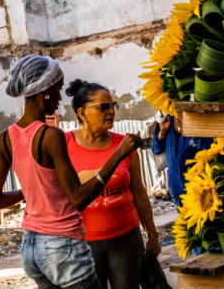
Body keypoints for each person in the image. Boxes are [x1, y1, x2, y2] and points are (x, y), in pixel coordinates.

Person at [0, 55, 143, 289]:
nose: (59, 99)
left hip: (31, 248)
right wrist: (118, 155)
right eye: (58, 91)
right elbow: (78, 199)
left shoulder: (6, 138)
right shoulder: (51, 135)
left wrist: (28, 191)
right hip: (62, 246)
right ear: (45, 91)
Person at [64, 79, 162, 289]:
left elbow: (139, 191)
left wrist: (152, 234)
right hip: (83, 242)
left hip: (126, 238)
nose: (111, 112)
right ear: (82, 113)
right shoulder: (63, 145)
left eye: (112, 105)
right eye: (103, 107)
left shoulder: (124, 144)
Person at [152, 114, 213, 206]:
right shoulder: (167, 120)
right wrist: (162, 133)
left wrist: (190, 127)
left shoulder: (197, 118)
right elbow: (156, 149)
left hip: (198, 190)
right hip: (176, 189)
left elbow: (209, 146)